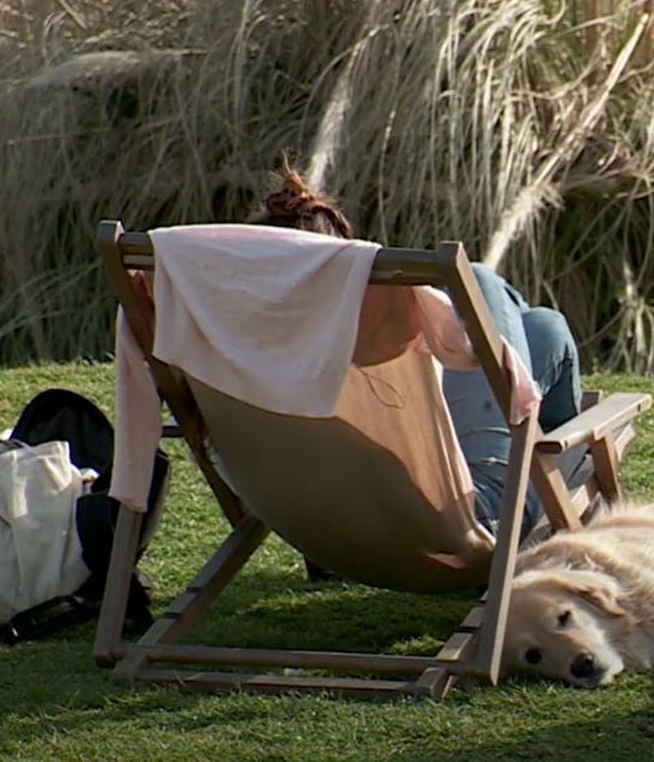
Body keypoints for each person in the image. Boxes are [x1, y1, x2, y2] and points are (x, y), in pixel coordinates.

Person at [249, 168, 582, 535]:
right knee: (488, 286)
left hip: (325, 524)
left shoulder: (233, 355)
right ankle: (561, 453)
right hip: (476, 514)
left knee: (544, 327)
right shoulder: (357, 336)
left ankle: (545, 430)